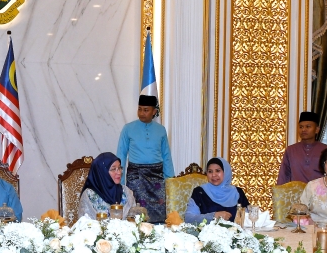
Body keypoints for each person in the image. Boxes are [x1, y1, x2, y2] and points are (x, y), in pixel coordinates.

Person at [117, 95, 174, 223]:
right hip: (136, 177)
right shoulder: (128, 128)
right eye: (140, 109)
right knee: (136, 213)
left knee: (159, 213)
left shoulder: (161, 130)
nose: (142, 113)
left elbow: (166, 156)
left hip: (156, 177)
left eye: (146, 110)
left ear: (154, 111)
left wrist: (170, 182)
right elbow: (121, 155)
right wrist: (120, 182)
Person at [185, 157, 250, 224]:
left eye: (218, 171)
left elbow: (249, 217)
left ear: (226, 172)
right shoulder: (199, 192)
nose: (213, 175)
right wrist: (213, 216)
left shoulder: (238, 192)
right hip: (208, 230)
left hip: (236, 230)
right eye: (210, 171)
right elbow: (189, 219)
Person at [78, 152, 137, 220]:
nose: (119, 172)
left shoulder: (126, 192)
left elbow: (135, 220)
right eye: (113, 169)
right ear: (102, 172)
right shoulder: (89, 195)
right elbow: (84, 223)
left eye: (119, 168)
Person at [277, 111, 327, 184]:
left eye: (308, 126)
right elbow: (284, 175)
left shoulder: (326, 150)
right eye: (301, 127)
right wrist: (279, 190)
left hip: (319, 190)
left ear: (317, 129)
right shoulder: (291, 150)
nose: (303, 130)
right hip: (296, 191)